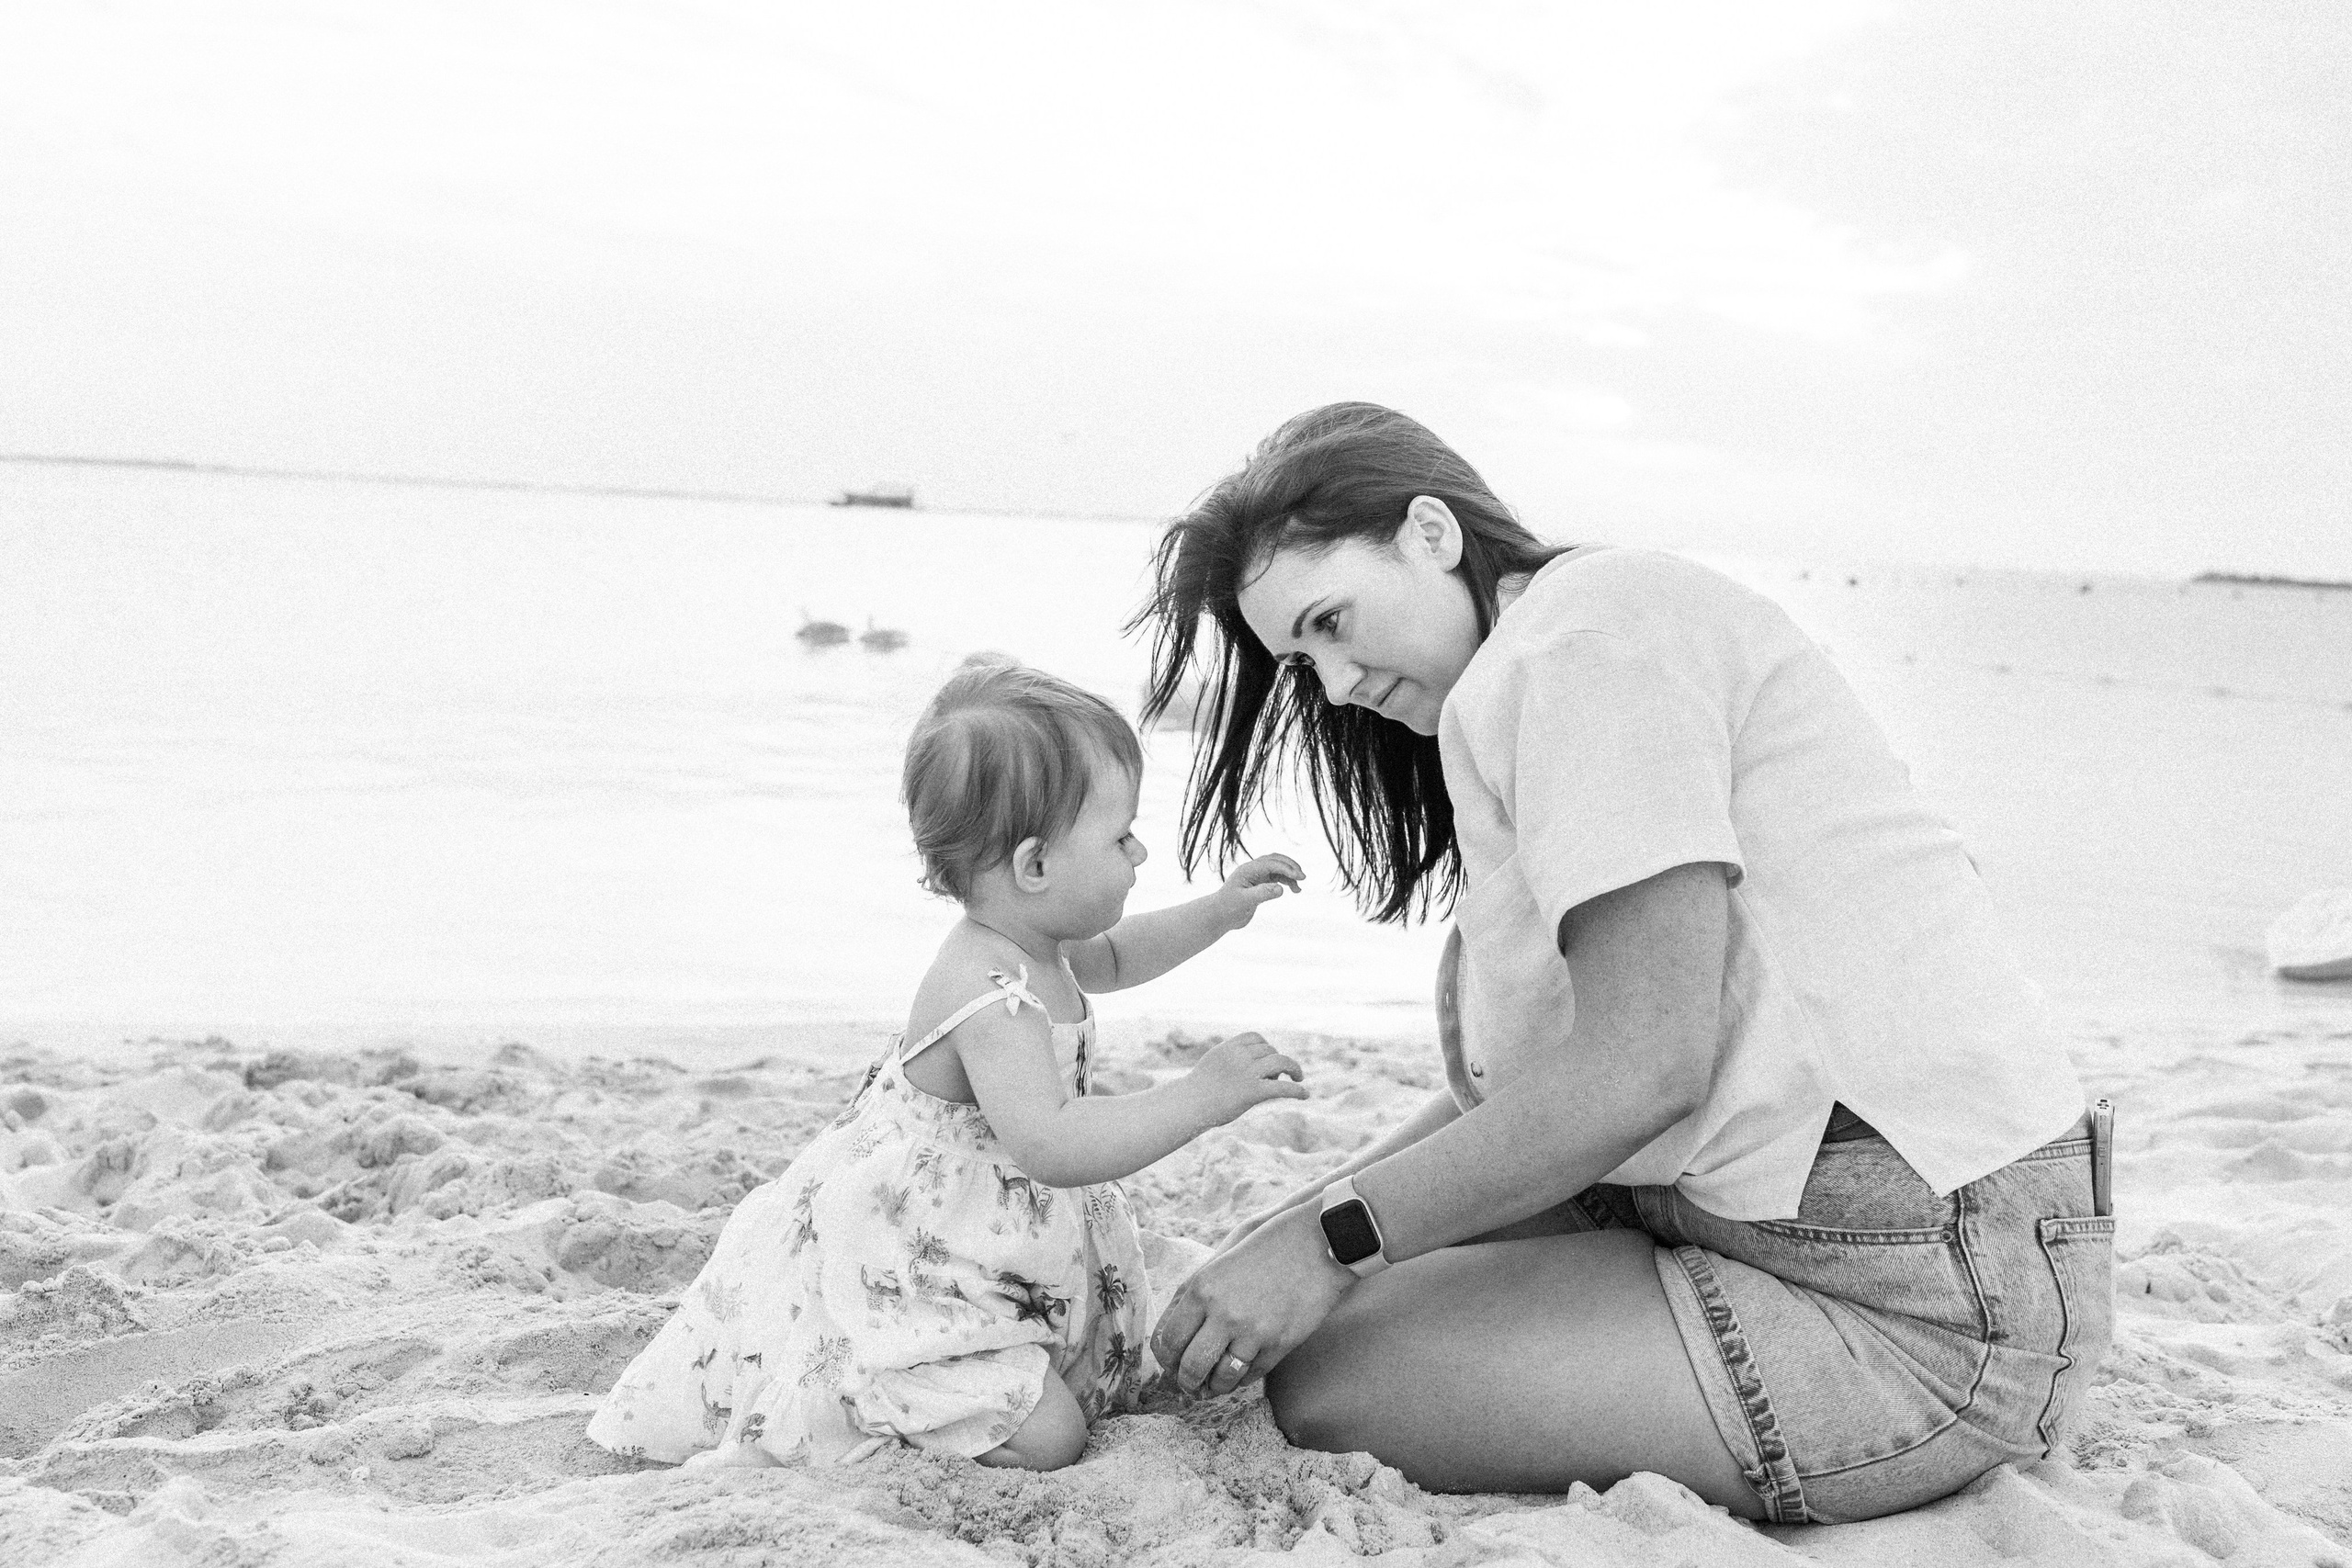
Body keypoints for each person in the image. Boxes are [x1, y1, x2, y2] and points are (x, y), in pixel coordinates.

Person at [1132, 403, 2113, 1524]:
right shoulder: (1555, 648)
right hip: (1749, 1199)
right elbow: (1520, 1096)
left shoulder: (1585, 644)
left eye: (1331, 621)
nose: (1337, 682)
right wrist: (1283, 1238)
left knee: (1330, 1377)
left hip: (1922, 1299)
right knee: (1319, 1297)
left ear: (1430, 534)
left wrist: (1326, 1242)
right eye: (1302, 659)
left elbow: (1642, 1069)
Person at [586, 656, 1308, 1472]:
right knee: (1052, 1436)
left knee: (1089, 1377)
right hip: (928, 1254)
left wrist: (1220, 911)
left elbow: (1114, 955)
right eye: (1120, 836)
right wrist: (1201, 1096)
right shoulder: (985, 990)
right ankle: (876, 1399)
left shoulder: (1043, 940)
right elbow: (1052, 1144)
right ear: (1035, 866)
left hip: (995, 1233)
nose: (1140, 852)